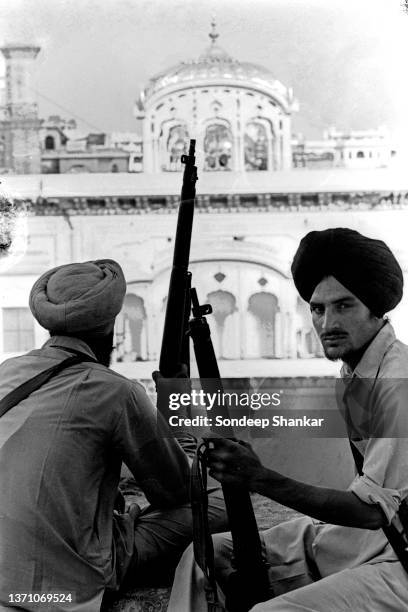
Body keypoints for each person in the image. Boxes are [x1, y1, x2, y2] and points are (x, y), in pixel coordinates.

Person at [168, 227, 408, 612]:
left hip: (400, 561)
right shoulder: (356, 372)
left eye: (344, 306)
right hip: (368, 540)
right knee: (207, 555)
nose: (328, 323)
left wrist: (259, 477)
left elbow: (370, 510)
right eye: (318, 309)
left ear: (376, 308)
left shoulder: (399, 383)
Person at [0, 259, 226, 611]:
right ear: (111, 325)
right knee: (219, 500)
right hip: (67, 583)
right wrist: (176, 412)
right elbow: (178, 490)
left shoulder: (7, 373)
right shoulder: (115, 391)